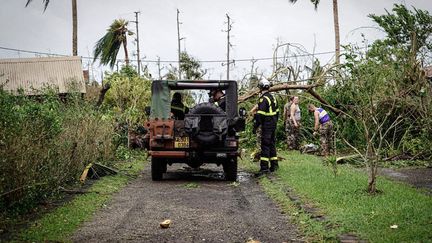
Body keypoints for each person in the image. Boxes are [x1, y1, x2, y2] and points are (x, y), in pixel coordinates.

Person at [253, 78, 279, 174]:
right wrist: (274, 122)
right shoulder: (273, 98)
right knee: (272, 144)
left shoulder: (263, 99)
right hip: (273, 124)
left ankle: (264, 168)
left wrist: (255, 126)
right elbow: (277, 112)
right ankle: (274, 165)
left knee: (265, 145)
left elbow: (260, 115)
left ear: (260, 87)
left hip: (267, 125)